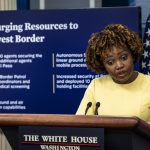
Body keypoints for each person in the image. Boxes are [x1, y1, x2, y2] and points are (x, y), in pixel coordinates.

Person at [76, 24, 150, 123]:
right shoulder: (96, 85)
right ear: (103, 65)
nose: (119, 65)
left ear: (132, 54)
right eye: (110, 62)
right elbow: (81, 123)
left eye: (124, 57)